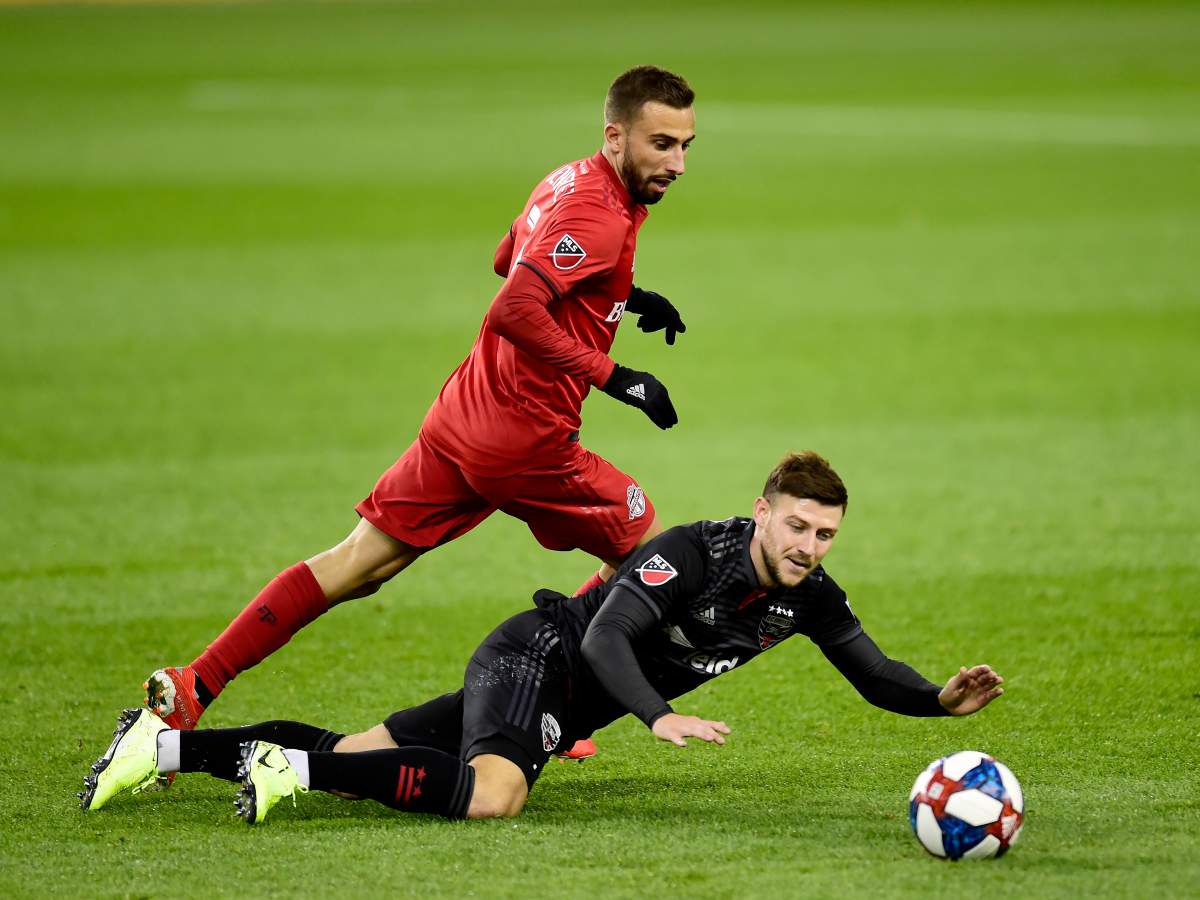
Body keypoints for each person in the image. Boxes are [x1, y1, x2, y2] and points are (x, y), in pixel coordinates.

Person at [141, 66, 699, 763]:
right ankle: (553, 706)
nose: (676, 163)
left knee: (360, 563)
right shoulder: (599, 215)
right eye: (661, 144)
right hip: (527, 440)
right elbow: (515, 305)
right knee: (646, 554)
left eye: (685, 146)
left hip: (464, 412)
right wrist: (617, 376)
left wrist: (624, 294)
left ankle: (196, 681)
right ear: (615, 135)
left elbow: (510, 257)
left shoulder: (564, 181)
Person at [83, 452, 1005, 822]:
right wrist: (655, 716)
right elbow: (606, 640)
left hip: (556, 703)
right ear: (764, 513)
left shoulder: (808, 596)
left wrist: (934, 700)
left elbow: (872, 670)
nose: (809, 547)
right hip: (535, 656)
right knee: (493, 795)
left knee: (366, 750)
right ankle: (292, 776)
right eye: (797, 526)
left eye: (825, 535)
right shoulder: (692, 553)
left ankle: (161, 744)